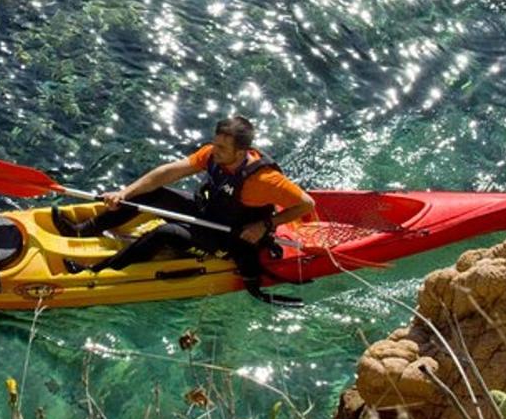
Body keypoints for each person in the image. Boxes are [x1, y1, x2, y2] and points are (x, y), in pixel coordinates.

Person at [54, 116, 314, 301]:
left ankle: (97, 271)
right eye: (215, 143)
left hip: (232, 237)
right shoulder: (213, 154)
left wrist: (265, 225)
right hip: (210, 213)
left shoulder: (264, 180)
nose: (215, 150)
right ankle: (82, 231)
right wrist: (125, 193)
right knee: (152, 194)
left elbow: (306, 204)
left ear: (241, 151)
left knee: (167, 233)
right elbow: (167, 173)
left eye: (223, 148)